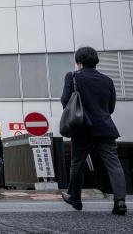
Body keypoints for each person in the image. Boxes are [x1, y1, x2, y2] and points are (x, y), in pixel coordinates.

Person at [61, 47, 127, 216]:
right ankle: (120, 201)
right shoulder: (107, 80)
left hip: (81, 128)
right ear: (96, 61)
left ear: (78, 61)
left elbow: (66, 102)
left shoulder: (73, 76)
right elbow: (110, 107)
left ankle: (75, 197)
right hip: (105, 127)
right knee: (113, 164)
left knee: (78, 163)